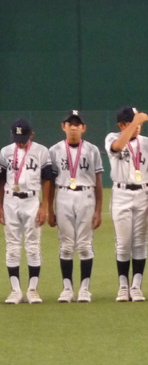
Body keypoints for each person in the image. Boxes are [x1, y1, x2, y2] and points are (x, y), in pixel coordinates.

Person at [48, 110, 104, 303]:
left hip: (86, 195)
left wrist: (98, 210)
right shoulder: (54, 150)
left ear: (83, 128)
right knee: (66, 245)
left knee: (85, 245)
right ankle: (67, 288)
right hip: (62, 194)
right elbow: (49, 181)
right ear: (63, 127)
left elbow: (98, 180)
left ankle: (85, 289)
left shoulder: (92, 150)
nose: (73, 127)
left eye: (77, 124)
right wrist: (49, 209)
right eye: (69, 124)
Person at [0, 118, 52, 304]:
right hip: (10, 200)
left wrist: (44, 205)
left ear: (32, 134)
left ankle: (32, 290)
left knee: (33, 245)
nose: (19, 141)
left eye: (23, 137)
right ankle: (15, 291)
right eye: (16, 137)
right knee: (12, 246)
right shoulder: (5, 152)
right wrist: (0, 206)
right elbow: (1, 180)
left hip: (32, 200)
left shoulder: (41, 151)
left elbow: (47, 180)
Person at [105, 106, 148, 302]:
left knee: (140, 242)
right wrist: (135, 122)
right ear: (121, 125)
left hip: (143, 192)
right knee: (123, 243)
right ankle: (123, 286)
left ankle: (136, 286)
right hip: (121, 193)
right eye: (132, 123)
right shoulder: (112, 137)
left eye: (139, 123)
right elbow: (118, 146)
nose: (137, 127)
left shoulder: (147, 143)